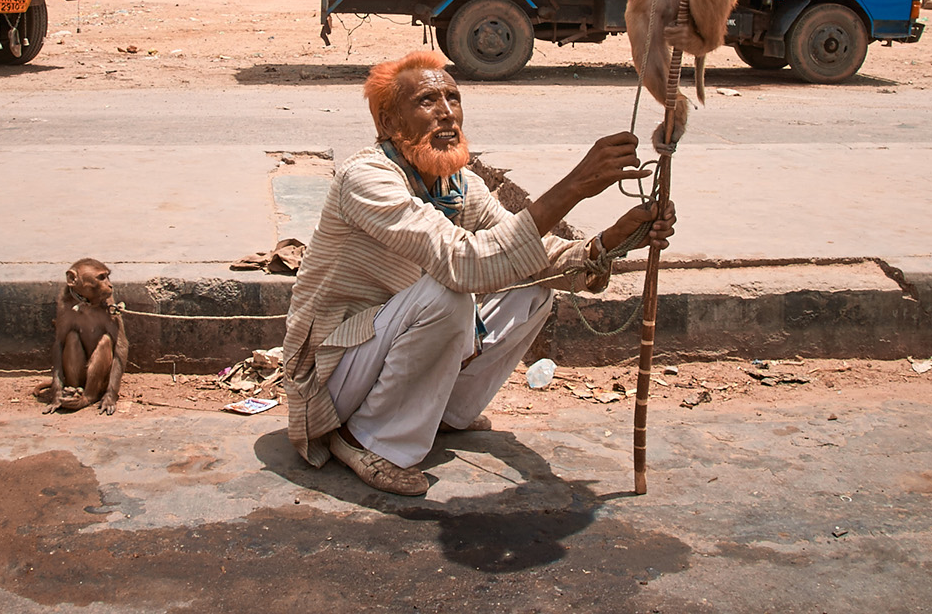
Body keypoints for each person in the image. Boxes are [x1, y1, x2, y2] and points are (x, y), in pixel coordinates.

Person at [282, 51, 676, 495]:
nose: (448, 113)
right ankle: (365, 438)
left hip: (387, 346)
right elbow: (464, 263)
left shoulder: (459, 184)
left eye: (453, 98)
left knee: (532, 290)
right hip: (332, 372)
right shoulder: (367, 178)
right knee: (449, 294)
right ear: (390, 124)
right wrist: (575, 186)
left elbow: (526, 250)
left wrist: (608, 243)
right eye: (428, 101)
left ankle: (446, 413)